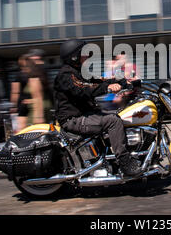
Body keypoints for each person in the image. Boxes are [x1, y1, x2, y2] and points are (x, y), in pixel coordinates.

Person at [53, 39, 142, 177]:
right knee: (113, 121)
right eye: (84, 53)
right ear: (74, 56)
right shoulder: (66, 75)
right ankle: (125, 162)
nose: (87, 55)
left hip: (84, 115)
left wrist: (124, 81)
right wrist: (107, 88)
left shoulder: (79, 72)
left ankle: (110, 158)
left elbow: (98, 80)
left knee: (117, 114)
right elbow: (83, 89)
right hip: (73, 119)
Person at [22, 58, 52, 125]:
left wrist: (38, 118)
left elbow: (38, 98)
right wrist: (30, 100)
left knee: (34, 133)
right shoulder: (37, 78)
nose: (23, 70)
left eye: (24, 67)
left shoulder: (33, 79)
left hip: (36, 113)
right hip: (41, 109)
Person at [10, 54, 30, 132]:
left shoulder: (18, 75)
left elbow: (15, 91)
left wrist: (13, 106)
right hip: (33, 102)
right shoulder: (34, 74)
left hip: (22, 102)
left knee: (21, 128)